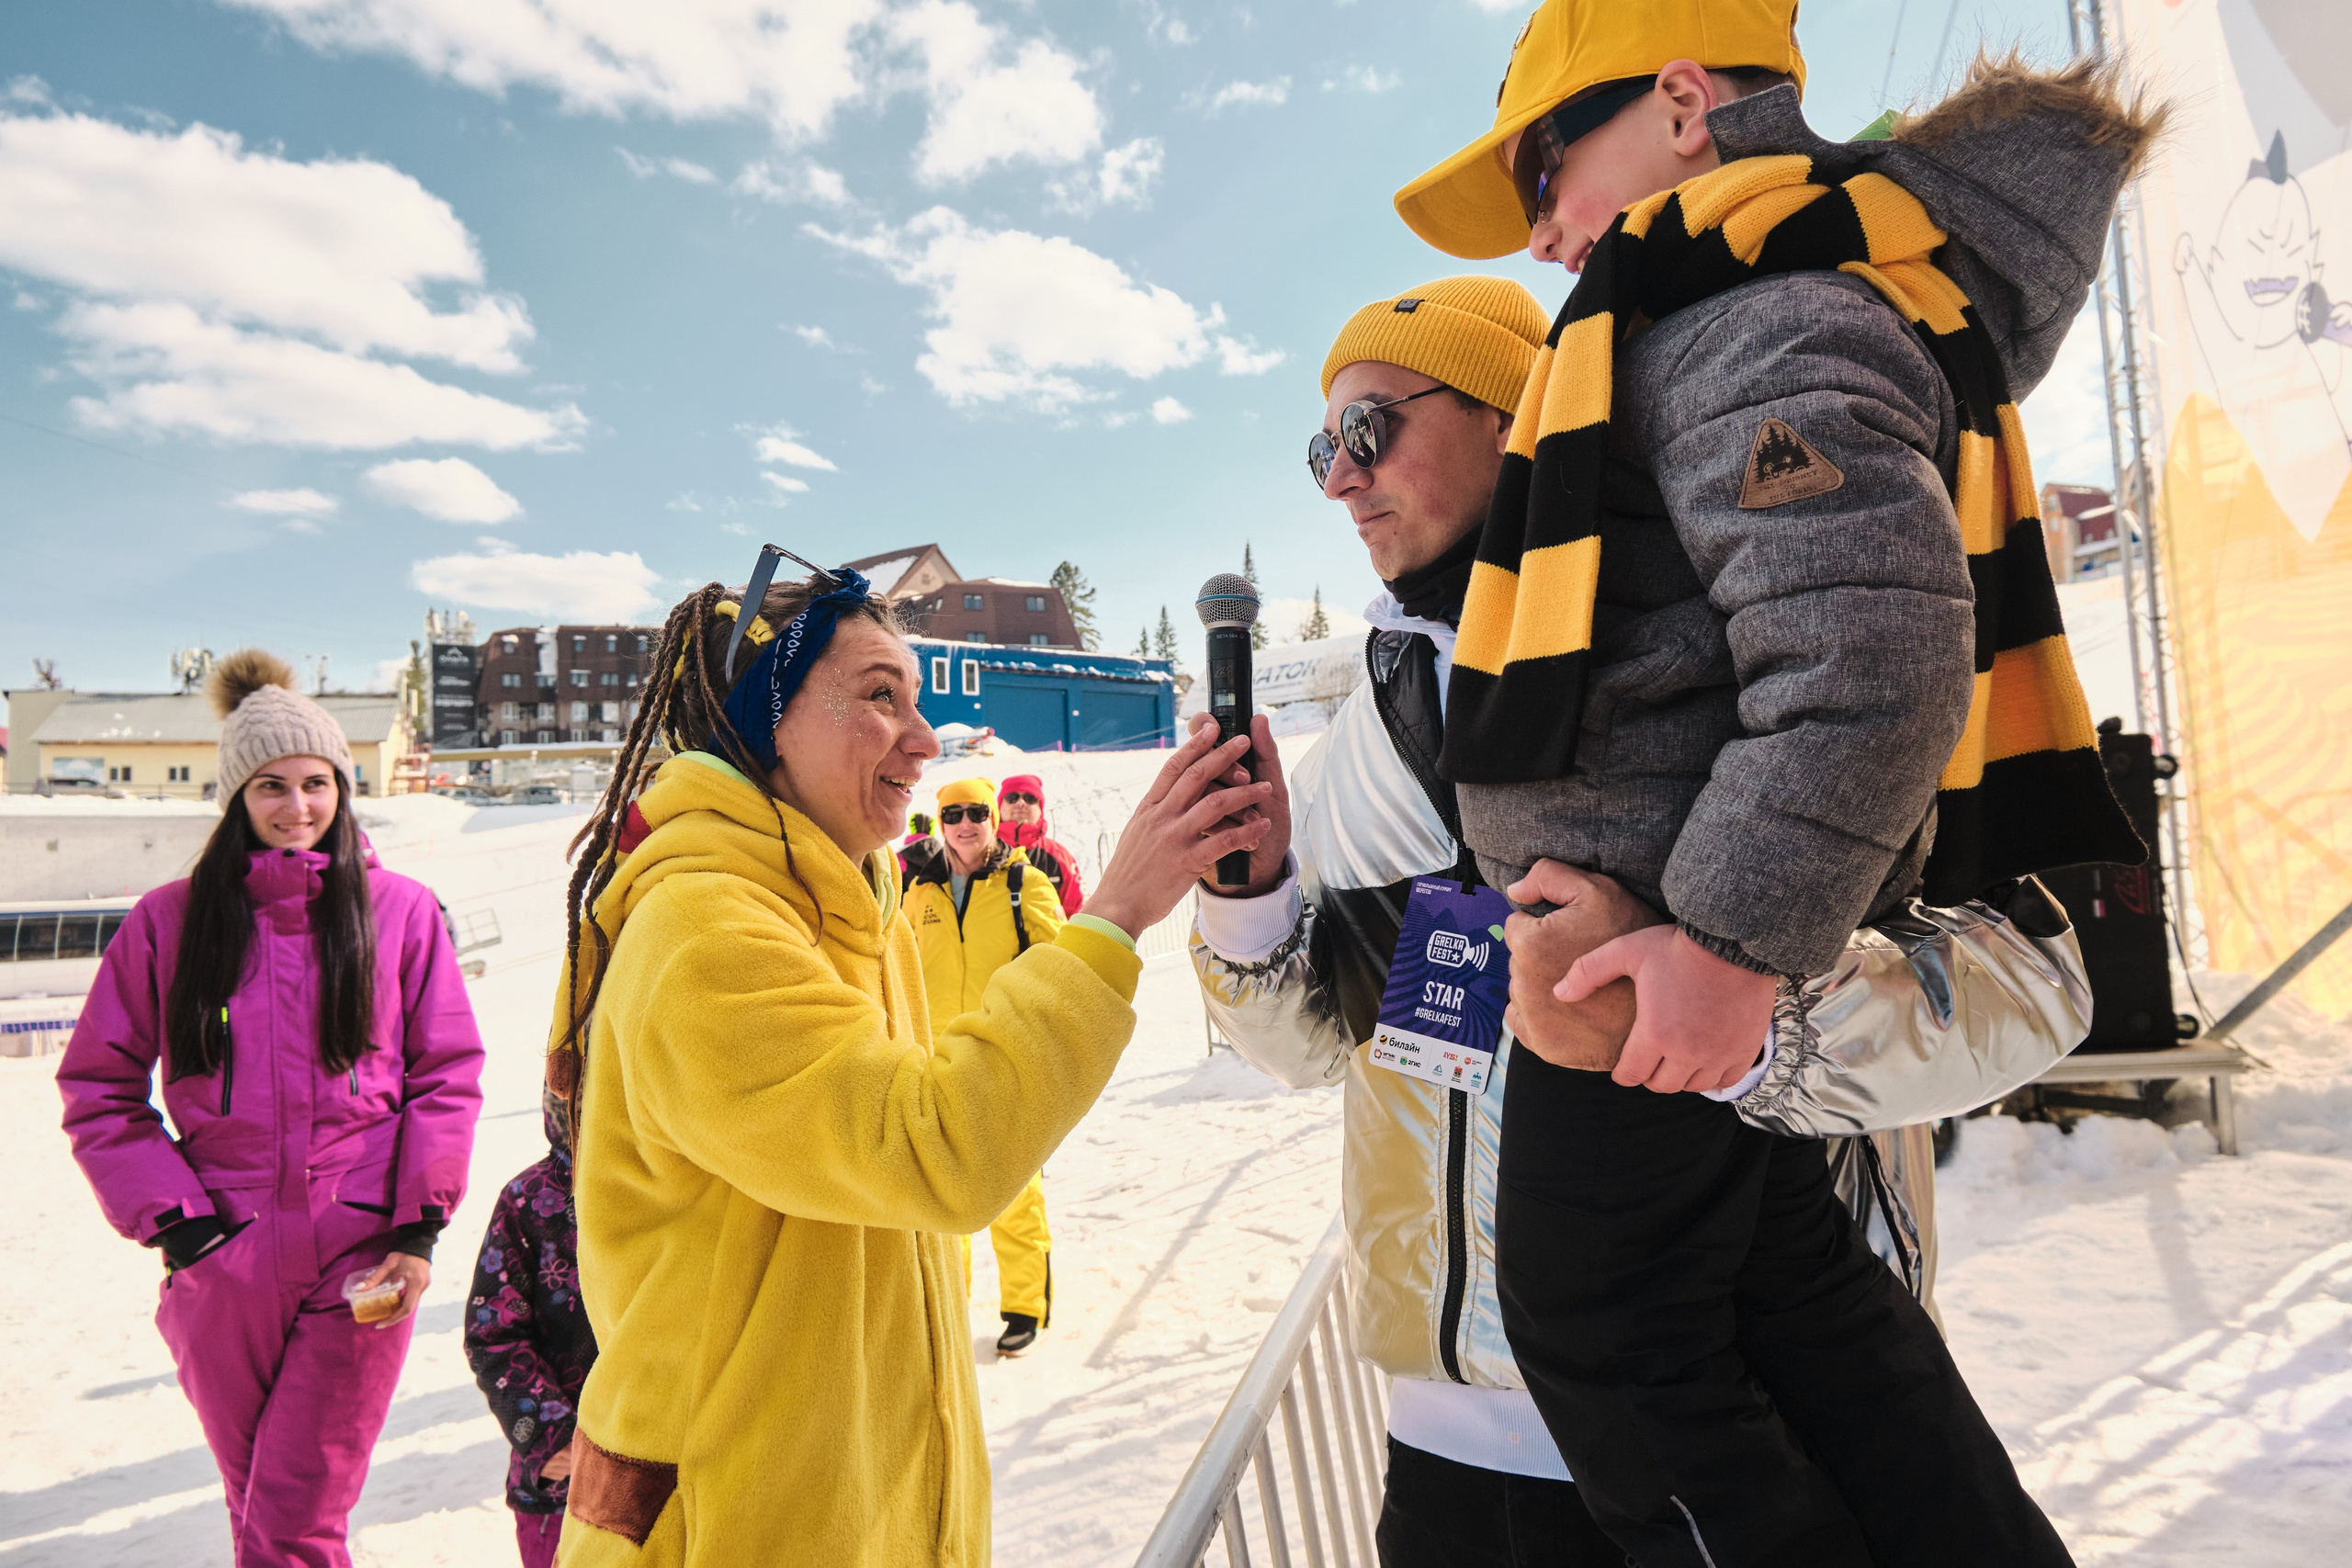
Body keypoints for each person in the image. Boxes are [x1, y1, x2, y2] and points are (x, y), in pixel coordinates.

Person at [1382, 6, 2159, 1563]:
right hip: (1650, 947)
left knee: (1609, 1329)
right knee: (1799, 1308)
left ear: (1681, 103)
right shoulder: (1731, 297)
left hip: (1659, 973)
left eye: (1548, 173)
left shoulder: (1755, 310)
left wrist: (1722, 954)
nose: (1544, 239)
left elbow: (1868, 659)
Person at [1193, 275, 2096, 1567]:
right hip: (1467, 1443)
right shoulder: (1379, 720)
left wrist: (1735, 1012)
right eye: (1321, 449)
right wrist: (1249, 894)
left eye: (1370, 429)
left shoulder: (1785, 629)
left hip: (1760, 1397)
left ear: (1521, 417)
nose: (1339, 479)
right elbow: (1328, 1045)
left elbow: (2038, 982)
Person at [544, 548, 1269, 1565]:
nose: (924, 741)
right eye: (879, 697)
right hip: (735, 1525)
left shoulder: (841, 899)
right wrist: (1115, 913)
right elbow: (936, 1145)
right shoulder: (704, 931)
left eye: (916, 700)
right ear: (764, 720)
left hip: (858, 1505)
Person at [57, 649, 484, 1568]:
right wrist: (183, 1227)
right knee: (258, 1509)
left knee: (292, 1522)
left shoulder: (401, 915)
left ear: (343, 785)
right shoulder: (169, 922)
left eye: (316, 782)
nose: (298, 806)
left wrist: (413, 1230)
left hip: (362, 1256)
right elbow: (98, 1087)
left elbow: (444, 1074)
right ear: (237, 799)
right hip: (224, 1261)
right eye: (271, 786)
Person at [902, 775, 1066, 1357]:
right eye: (953, 815)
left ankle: (1023, 1305)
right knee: (944, 1195)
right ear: (939, 822)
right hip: (937, 1064)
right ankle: (951, 1306)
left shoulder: (1027, 884)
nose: (965, 824)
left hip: (1006, 1060)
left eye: (976, 812)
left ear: (994, 817)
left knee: (1016, 1190)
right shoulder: (917, 892)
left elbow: (1055, 970)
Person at [465, 1090, 596, 1568]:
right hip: (563, 1484)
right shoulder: (529, 1202)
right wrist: (551, 1433)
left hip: (669, 1467)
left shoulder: (683, 1195)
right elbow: (493, 1332)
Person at [996, 773, 1086, 916]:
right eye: (1012, 797)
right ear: (999, 807)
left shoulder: (1059, 856)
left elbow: (1079, 910)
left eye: (1029, 798)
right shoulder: (983, 853)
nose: (1021, 803)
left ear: (1040, 808)